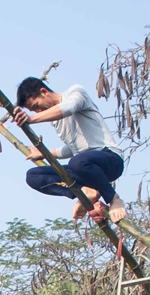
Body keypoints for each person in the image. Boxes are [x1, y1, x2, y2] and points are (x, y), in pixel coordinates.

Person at [12, 77, 127, 223]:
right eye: (34, 110)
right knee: (33, 175)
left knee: (77, 162)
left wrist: (31, 119)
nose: (39, 111)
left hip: (109, 160)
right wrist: (44, 153)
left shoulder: (76, 93)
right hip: (83, 170)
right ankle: (85, 193)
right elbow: (73, 149)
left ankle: (114, 198)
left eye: (36, 106)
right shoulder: (56, 122)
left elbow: (67, 109)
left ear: (44, 92)